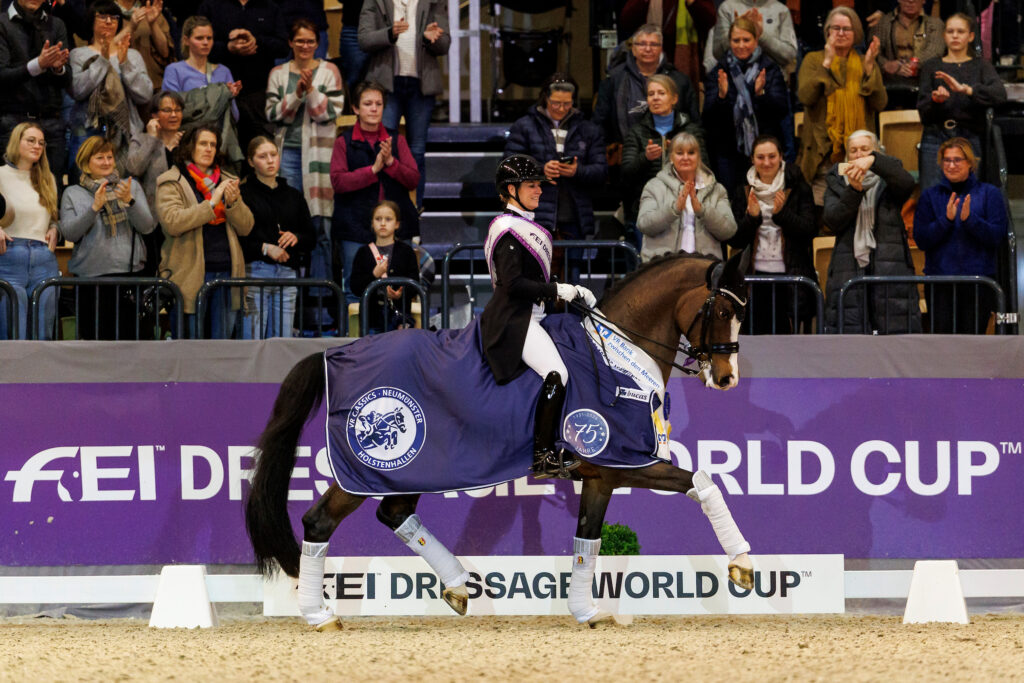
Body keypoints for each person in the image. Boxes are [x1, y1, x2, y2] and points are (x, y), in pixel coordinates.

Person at [481, 154, 597, 478]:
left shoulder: (528, 227)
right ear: (510, 190)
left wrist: (564, 289)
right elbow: (513, 283)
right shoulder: (507, 230)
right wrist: (556, 291)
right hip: (514, 320)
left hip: (532, 315)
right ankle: (543, 455)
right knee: (556, 373)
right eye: (531, 185)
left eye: (538, 185)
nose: (539, 191)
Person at [265, 18, 344, 294]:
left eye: (310, 41)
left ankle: (320, 302)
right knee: (287, 227)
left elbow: (328, 114)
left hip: (320, 158)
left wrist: (310, 90)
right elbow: (274, 115)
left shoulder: (330, 71)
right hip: (286, 154)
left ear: (317, 43)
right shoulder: (278, 73)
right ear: (290, 42)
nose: (305, 46)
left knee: (320, 228)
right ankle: (289, 298)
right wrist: (296, 94)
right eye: (300, 41)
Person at [155, 124, 253, 338]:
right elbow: (173, 222)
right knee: (192, 346)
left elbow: (246, 228)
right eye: (203, 144)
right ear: (190, 147)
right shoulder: (171, 181)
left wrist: (234, 203)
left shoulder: (227, 179)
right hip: (190, 275)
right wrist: (211, 204)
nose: (209, 149)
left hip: (227, 271)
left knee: (221, 347)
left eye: (213, 144)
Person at [59, 135, 157, 339]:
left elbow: (147, 226)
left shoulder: (129, 187)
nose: (106, 162)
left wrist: (129, 201)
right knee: (97, 346)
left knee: (135, 344)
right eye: (100, 158)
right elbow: (70, 233)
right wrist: (94, 208)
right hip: (91, 283)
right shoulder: (73, 193)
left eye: (109, 157)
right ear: (86, 164)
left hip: (131, 278)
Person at [823, 130, 920, 334]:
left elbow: (906, 184)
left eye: (865, 150)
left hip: (889, 263)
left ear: (876, 151)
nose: (859, 155)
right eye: (853, 151)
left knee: (894, 335)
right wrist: (854, 191)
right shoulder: (836, 179)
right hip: (847, 265)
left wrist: (874, 161)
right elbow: (833, 220)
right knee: (851, 335)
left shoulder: (889, 175)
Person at [330, 81, 419, 304]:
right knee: (355, 289)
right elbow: (339, 181)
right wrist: (372, 170)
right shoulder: (344, 142)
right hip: (354, 227)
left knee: (402, 287)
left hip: (395, 228)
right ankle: (359, 338)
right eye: (367, 103)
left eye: (378, 104)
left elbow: (413, 179)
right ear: (356, 109)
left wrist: (390, 162)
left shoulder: (396, 139)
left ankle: (398, 335)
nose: (374, 108)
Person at [359, 0, 449, 209]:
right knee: (384, 147)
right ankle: (384, 212)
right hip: (387, 86)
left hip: (421, 86)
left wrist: (429, 39)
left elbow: (444, 43)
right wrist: (389, 33)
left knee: (416, 151)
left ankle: (413, 212)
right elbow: (364, 39)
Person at [913, 137, 1009, 333]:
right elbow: (922, 239)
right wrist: (945, 221)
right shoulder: (930, 196)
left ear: (970, 163)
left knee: (972, 343)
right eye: (947, 160)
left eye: (957, 160)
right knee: (943, 344)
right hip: (940, 283)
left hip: (977, 283)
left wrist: (970, 220)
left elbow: (996, 236)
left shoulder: (990, 193)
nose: (951, 165)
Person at [797, 7, 886, 208]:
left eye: (847, 28)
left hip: (858, 155)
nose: (841, 33)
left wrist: (870, 71)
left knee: (858, 208)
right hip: (823, 155)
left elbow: (880, 103)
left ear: (856, 33)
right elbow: (806, 96)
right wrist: (826, 64)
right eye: (835, 28)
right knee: (823, 212)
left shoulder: (866, 61)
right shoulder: (813, 60)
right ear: (827, 31)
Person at [503, 73, 607, 243]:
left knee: (573, 268)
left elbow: (601, 171)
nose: (561, 108)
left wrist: (577, 171)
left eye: (567, 103)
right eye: (555, 103)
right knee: (536, 268)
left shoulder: (589, 130)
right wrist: (541, 170)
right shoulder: (524, 126)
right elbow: (508, 166)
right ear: (545, 99)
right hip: (534, 213)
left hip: (575, 213)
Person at [728, 135, 817, 334]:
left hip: (791, 275)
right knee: (755, 342)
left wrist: (782, 215)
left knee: (788, 343)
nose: (766, 162)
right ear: (752, 159)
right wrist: (752, 218)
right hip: (753, 277)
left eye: (772, 156)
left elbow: (810, 230)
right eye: (760, 157)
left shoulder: (799, 186)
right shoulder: (742, 189)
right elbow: (734, 238)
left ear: (781, 157)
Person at [916, 13, 1007, 190]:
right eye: (950, 31)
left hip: (970, 136)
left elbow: (999, 95)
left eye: (960, 31)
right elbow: (923, 112)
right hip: (936, 137)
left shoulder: (981, 66)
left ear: (971, 36)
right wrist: (936, 100)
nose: (955, 36)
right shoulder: (931, 66)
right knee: (932, 194)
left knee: (970, 196)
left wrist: (967, 90)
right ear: (944, 35)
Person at [702, 16, 789, 196]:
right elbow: (708, 118)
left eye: (746, 40)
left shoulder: (770, 69)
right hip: (727, 151)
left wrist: (761, 95)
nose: (741, 45)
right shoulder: (719, 71)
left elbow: (781, 110)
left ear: (756, 41)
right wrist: (722, 96)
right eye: (736, 40)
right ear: (729, 42)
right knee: (731, 201)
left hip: (763, 151)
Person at [238, 136, 315, 338]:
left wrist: (296, 237)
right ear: (251, 161)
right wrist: (265, 248)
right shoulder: (242, 194)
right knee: (253, 340)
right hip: (255, 272)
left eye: (274, 155)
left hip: (287, 273)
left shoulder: (293, 195)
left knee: (283, 340)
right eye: (263, 156)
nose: (270, 160)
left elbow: (311, 237)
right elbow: (238, 239)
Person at [68, 0, 154, 171]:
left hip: (126, 132)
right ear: (91, 21)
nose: (109, 22)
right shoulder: (79, 55)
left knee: (122, 188)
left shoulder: (132, 55)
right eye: (103, 17)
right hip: (88, 130)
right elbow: (78, 90)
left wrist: (125, 65)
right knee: (84, 183)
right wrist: (102, 61)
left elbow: (145, 94)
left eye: (114, 18)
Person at [0, 0, 71, 195]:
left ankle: (52, 227)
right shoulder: (3, 24)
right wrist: (38, 65)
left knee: (52, 189)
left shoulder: (56, 25)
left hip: (51, 122)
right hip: (13, 122)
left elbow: (67, 79)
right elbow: (2, 75)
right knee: (11, 192)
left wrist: (58, 68)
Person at [593, 24, 702, 148]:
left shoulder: (680, 81)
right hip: (625, 157)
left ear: (661, 48)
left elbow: (694, 124)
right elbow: (599, 124)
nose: (648, 49)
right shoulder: (614, 79)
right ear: (633, 49)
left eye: (654, 44)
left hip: (672, 156)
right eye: (642, 44)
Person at [196, 0, 288, 146]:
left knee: (261, 147)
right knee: (222, 148)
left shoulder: (270, 7)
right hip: (220, 93)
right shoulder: (210, 6)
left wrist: (256, 41)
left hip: (259, 92)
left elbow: (283, 47)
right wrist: (228, 47)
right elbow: (199, 46)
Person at [621, 74, 705, 235]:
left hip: (686, 208)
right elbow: (626, 175)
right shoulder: (637, 132)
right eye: (651, 94)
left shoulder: (690, 131)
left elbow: (704, 171)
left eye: (661, 93)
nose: (655, 98)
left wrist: (679, 156)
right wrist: (645, 158)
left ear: (674, 99)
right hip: (648, 208)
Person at [636, 132, 737, 263]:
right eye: (679, 153)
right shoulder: (654, 186)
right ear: (671, 157)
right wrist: (674, 209)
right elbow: (644, 224)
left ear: (699, 156)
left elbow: (728, 231)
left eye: (691, 152)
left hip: (702, 270)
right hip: (662, 268)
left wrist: (703, 211)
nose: (685, 157)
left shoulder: (717, 190)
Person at [0, 122, 59, 340]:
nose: (37, 146)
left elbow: (50, 217)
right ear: (17, 141)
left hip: (44, 258)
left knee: (43, 332)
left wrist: (55, 228)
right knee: (13, 331)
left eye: (41, 143)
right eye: (31, 140)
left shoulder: (48, 179)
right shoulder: (1, 174)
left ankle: (40, 375)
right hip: (9, 255)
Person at [125, 89, 184, 274]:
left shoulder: (189, 142)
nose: (173, 115)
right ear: (154, 115)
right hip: (152, 220)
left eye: (178, 109)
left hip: (183, 219)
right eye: (167, 110)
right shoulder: (141, 139)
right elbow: (134, 168)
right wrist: (152, 139)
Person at [349, 200, 420, 334]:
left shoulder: (406, 251)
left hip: (400, 317)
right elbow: (355, 287)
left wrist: (400, 294)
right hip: (372, 319)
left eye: (388, 219)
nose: (382, 223)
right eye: (378, 219)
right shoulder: (363, 252)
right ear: (372, 223)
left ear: (397, 224)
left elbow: (415, 283)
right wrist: (374, 275)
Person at [614, 0, 716, 87]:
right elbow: (626, 21)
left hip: (683, 68)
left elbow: (710, 21)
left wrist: (692, 2)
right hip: (647, 68)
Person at [162, 15, 242, 121]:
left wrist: (229, 96)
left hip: (218, 133)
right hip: (188, 132)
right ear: (186, 40)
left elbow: (235, 117)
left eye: (209, 38)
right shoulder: (174, 70)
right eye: (199, 38)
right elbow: (171, 111)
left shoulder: (223, 71)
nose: (205, 42)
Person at [868, 0, 944, 98]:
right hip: (888, 80)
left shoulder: (936, 24)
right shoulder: (883, 23)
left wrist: (912, 65)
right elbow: (873, 51)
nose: (911, 1)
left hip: (924, 79)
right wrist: (885, 65)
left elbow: (935, 51)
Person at [711, 0, 798, 75]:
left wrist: (761, 36)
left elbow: (789, 55)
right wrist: (736, 33)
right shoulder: (726, 8)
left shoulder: (782, 10)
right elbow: (718, 53)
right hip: (735, 84)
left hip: (773, 83)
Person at [114, 0, 174, 89]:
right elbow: (105, 49)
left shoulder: (150, 10)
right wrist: (131, 27)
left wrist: (153, 24)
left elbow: (165, 52)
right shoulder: (106, 12)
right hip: (119, 87)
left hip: (154, 85)